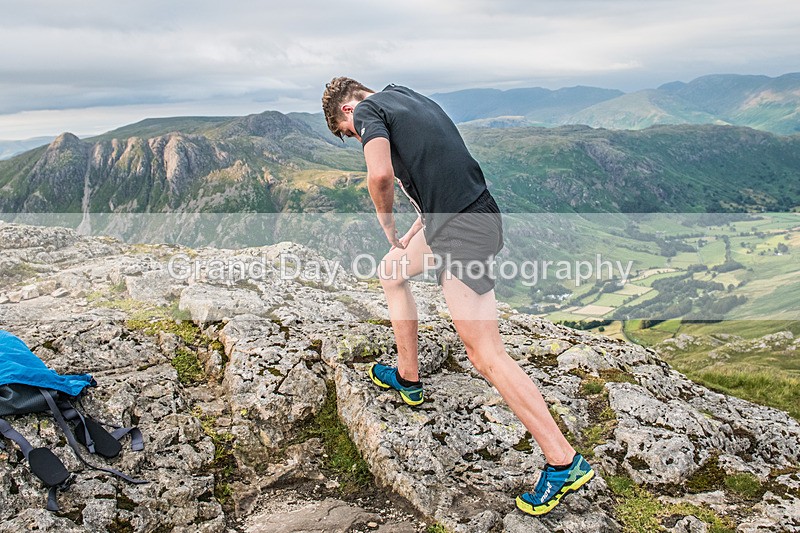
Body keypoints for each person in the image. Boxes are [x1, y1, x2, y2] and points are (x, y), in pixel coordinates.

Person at [321, 77, 594, 516]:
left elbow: (380, 174)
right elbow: (439, 168)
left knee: (485, 355)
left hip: (462, 231)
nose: (358, 139)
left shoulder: (368, 113)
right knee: (392, 271)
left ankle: (563, 461)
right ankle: (408, 377)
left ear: (348, 113)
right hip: (467, 214)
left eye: (350, 135)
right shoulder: (404, 96)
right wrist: (417, 227)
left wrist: (387, 225)